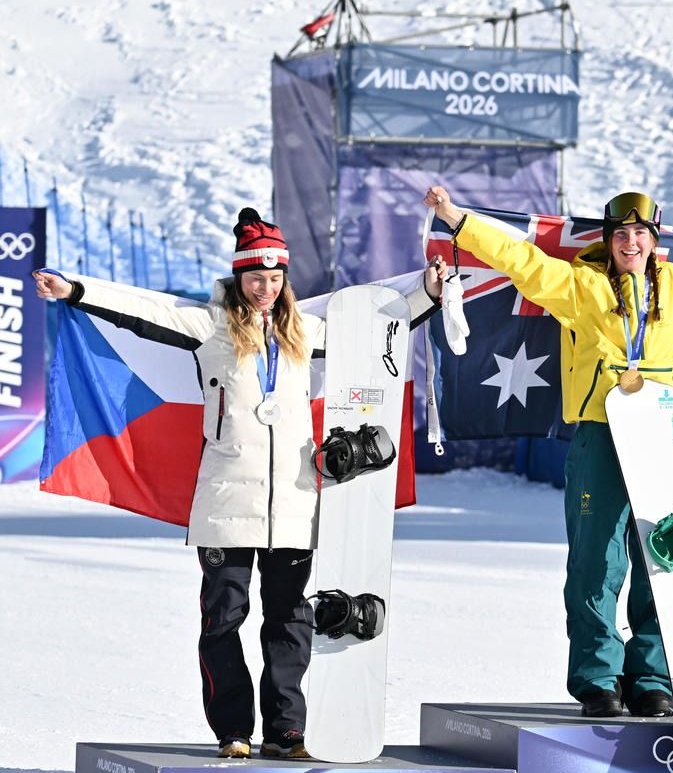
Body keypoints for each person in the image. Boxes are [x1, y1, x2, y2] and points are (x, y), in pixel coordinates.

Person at [33, 208, 446, 759]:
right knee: (223, 620)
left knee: (290, 620)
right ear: (238, 276)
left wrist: (428, 294)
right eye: (256, 278)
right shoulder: (210, 327)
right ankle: (233, 731)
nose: (265, 289)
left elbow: (375, 329)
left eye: (274, 279)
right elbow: (146, 309)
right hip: (225, 503)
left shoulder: (306, 331)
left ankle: (287, 731)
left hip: (294, 504)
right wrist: (76, 290)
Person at [422, 185, 673, 718]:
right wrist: (457, 218)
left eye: (640, 233)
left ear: (655, 241)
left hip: (665, 439)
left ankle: (652, 677)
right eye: (621, 234)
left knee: (663, 557)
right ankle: (599, 677)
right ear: (608, 240)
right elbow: (520, 259)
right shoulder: (582, 286)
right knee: (596, 561)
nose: (631, 243)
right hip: (602, 433)